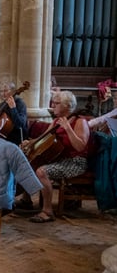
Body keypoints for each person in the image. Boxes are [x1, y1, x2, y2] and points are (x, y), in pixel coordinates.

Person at [22, 90, 90, 223]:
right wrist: (29, 143)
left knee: (42, 171)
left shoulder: (80, 122)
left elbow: (80, 147)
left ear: (68, 106)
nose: (53, 106)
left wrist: (68, 129)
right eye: (53, 103)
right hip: (60, 159)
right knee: (26, 161)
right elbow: (42, 138)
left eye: (56, 103)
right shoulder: (56, 121)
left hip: (75, 162)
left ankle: (47, 211)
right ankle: (25, 199)